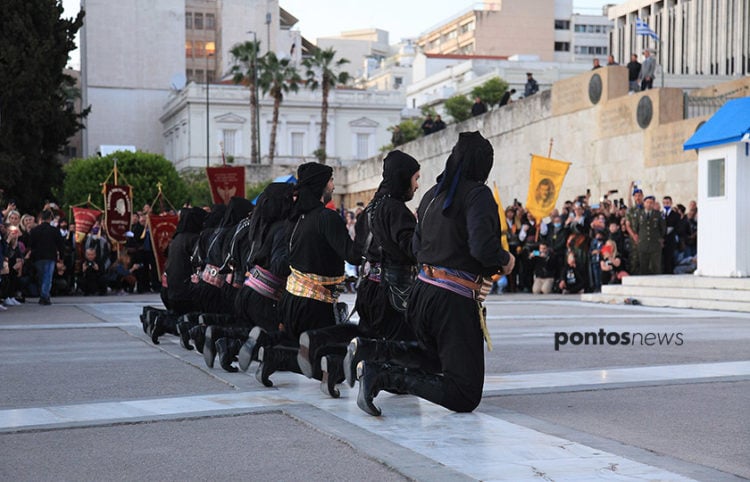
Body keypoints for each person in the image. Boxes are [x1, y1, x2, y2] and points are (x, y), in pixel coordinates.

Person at [350, 131, 515, 416]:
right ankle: (382, 376)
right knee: (465, 394)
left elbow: (416, 245)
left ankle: (370, 352)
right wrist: (505, 260)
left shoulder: (431, 195)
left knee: (432, 358)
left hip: (421, 294)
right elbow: (483, 248)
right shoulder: (478, 194)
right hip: (452, 299)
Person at [254, 162, 360, 388]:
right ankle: (275, 356)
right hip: (316, 304)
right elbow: (353, 256)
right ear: (321, 185)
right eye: (330, 180)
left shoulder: (295, 219)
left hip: (292, 300)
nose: (333, 185)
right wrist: (368, 235)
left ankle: (267, 346)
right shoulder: (326, 217)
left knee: (301, 346)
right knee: (332, 362)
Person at [27, 210, 64, 305]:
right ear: (50, 219)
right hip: (50, 256)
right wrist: (61, 258)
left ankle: (43, 294)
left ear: (40, 218)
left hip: (37, 256)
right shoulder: (54, 230)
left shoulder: (34, 230)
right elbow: (60, 245)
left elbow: (30, 245)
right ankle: (44, 296)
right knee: (48, 276)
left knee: (41, 276)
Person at [631, 195, 665, 275]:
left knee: (656, 266)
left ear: (653, 204)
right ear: (644, 203)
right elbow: (636, 228)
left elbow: (663, 229)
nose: (649, 204)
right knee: (643, 267)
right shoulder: (639, 214)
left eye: (651, 203)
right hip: (643, 243)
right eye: (647, 202)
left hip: (655, 244)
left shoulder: (658, 214)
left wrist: (659, 238)